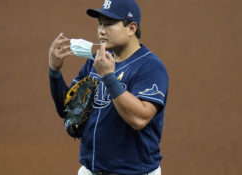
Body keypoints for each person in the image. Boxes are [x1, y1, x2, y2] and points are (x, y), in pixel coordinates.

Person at [48, 0, 169, 174]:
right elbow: (68, 111)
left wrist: (108, 77)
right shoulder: (97, 61)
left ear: (132, 28)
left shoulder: (149, 67)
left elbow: (139, 119)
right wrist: (55, 72)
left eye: (110, 24)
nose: (101, 31)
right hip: (90, 170)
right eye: (99, 24)